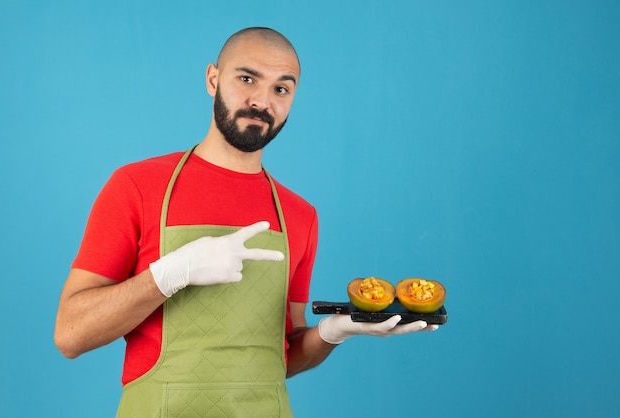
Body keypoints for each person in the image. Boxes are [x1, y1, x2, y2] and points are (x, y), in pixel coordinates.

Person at [54, 27, 437, 417]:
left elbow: (279, 357)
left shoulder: (299, 215)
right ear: (213, 79)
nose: (261, 101)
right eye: (247, 78)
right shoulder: (137, 186)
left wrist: (330, 334)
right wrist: (169, 274)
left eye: (281, 89)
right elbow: (70, 335)